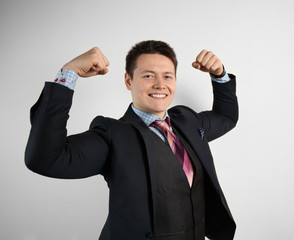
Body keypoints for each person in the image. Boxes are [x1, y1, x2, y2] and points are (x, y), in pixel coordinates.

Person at [25, 40, 238, 240]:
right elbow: (45, 159)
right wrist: (69, 74)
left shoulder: (188, 120)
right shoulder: (112, 135)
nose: (159, 84)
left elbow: (226, 117)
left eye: (167, 76)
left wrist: (219, 75)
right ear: (129, 81)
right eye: (148, 76)